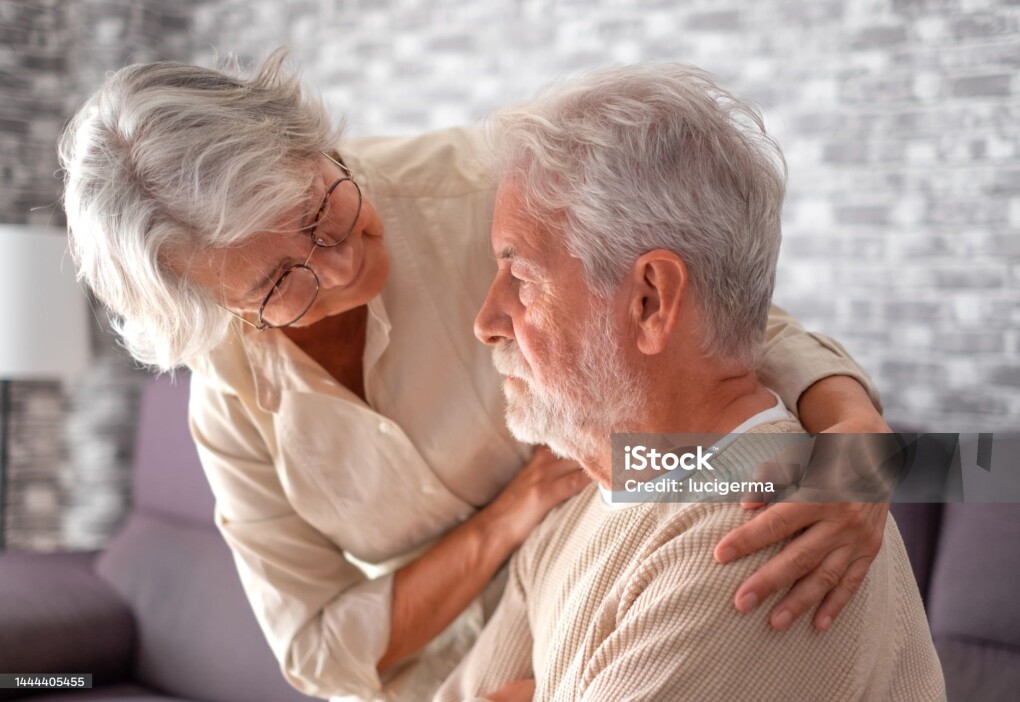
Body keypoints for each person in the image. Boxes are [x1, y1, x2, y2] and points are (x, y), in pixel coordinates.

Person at [59, 51, 893, 701]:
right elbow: (315, 651)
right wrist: (509, 518)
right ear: (225, 311)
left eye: (320, 211)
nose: (342, 265)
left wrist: (865, 456)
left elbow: (708, 320)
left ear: (310, 143)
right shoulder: (231, 396)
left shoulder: (482, 193)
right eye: (279, 282)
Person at [437, 63, 945, 702]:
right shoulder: (581, 508)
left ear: (650, 301)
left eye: (522, 279)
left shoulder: (766, 530)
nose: (486, 322)